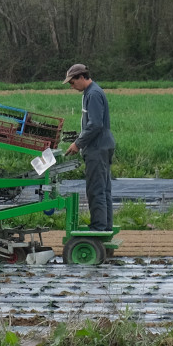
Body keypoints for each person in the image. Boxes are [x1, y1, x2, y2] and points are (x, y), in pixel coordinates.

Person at [62, 63, 115, 231]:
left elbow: (95, 125)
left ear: (82, 77)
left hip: (97, 148)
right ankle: (105, 226)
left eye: (72, 82)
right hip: (100, 145)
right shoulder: (90, 92)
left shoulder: (93, 94)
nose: (71, 86)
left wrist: (78, 143)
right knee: (103, 189)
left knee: (96, 190)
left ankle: (98, 228)